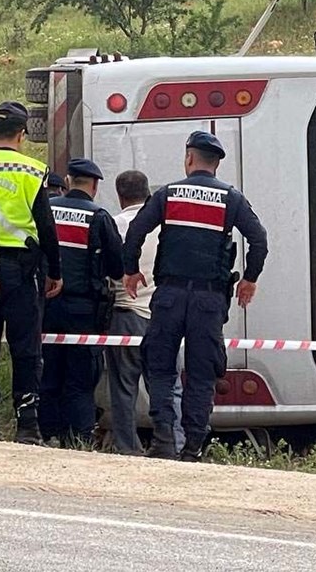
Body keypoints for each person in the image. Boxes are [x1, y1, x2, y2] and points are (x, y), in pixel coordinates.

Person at [124, 131, 268, 461]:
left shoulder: (168, 194)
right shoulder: (231, 198)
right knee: (202, 373)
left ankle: (163, 440)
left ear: (189, 158)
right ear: (216, 164)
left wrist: (130, 269)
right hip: (209, 300)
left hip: (169, 296)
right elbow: (258, 239)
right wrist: (249, 280)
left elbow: (136, 230)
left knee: (160, 367)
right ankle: (192, 449)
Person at [0, 101, 63, 444]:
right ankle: (27, 425)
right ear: (21, 135)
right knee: (25, 348)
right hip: (22, 270)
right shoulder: (33, 169)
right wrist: (55, 269)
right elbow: (46, 225)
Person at [40, 158, 123, 447]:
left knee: (48, 371)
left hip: (46, 306)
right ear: (95, 185)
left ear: (67, 181)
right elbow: (116, 266)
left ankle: (47, 432)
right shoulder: (98, 216)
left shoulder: (47, 209)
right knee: (81, 377)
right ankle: (80, 437)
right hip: (84, 311)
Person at [106, 170, 183, 456]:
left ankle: (128, 449)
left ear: (119, 195)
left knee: (124, 389)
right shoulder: (164, 227)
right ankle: (173, 443)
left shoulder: (114, 225)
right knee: (168, 386)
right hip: (162, 318)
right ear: (148, 193)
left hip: (125, 315)